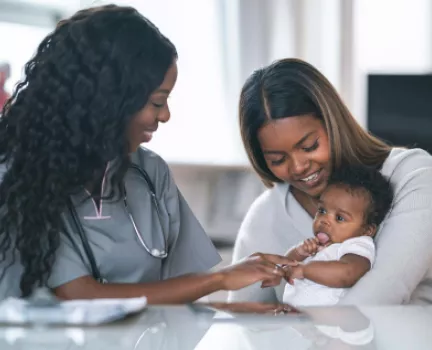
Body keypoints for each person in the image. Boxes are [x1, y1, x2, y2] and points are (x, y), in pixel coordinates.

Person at [0, 5, 296, 302]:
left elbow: (182, 293)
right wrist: (220, 279)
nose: (165, 115)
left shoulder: (151, 172)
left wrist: (241, 313)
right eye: (157, 102)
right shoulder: (24, 176)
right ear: (110, 99)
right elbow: (79, 295)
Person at [230, 58, 432, 305]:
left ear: (333, 123)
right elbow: (242, 320)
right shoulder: (266, 215)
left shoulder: (414, 175)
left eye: (309, 146)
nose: (298, 167)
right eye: (277, 159)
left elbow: (383, 292)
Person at [282, 166, 394, 306]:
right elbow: (284, 264)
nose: (324, 220)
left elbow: (348, 273)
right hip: (296, 318)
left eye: (340, 218)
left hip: (327, 323)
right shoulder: (320, 246)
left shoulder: (356, 245)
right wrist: (299, 252)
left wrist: (305, 270)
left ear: (367, 230)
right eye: (322, 210)